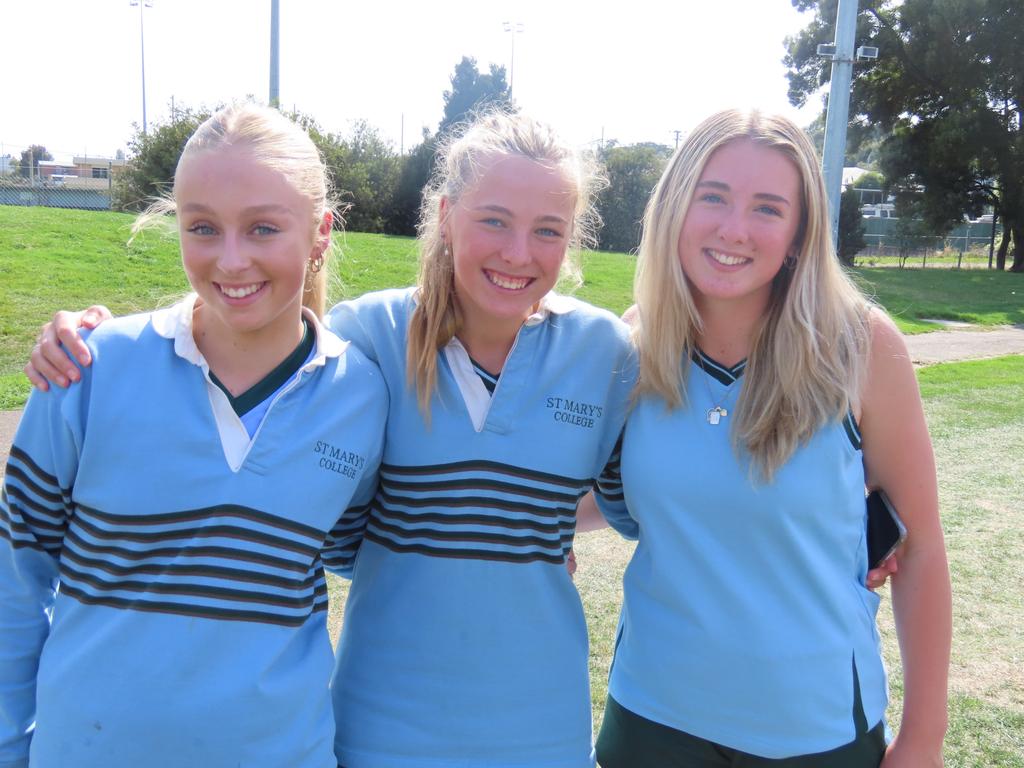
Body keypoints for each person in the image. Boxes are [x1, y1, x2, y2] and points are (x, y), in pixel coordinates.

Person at [22, 110, 637, 767]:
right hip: (378, 731)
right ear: (447, 215)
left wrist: (527, 530)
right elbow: (329, 521)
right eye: (493, 219)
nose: (518, 252)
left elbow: (644, 497)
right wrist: (90, 340)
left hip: (544, 734)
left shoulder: (605, 352)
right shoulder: (366, 342)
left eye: (548, 230)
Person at [0, 104, 387, 768]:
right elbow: (14, 577)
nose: (231, 261)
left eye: (263, 228)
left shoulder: (360, 396)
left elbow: (352, 547)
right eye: (203, 228)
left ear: (320, 233)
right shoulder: (89, 367)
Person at [589, 109, 951, 767]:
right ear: (674, 206)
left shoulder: (861, 348)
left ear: (797, 235)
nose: (734, 229)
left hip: (814, 729)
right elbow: (591, 496)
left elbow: (919, 547)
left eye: (767, 207)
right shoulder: (633, 345)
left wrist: (923, 739)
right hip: (652, 716)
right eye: (714, 197)